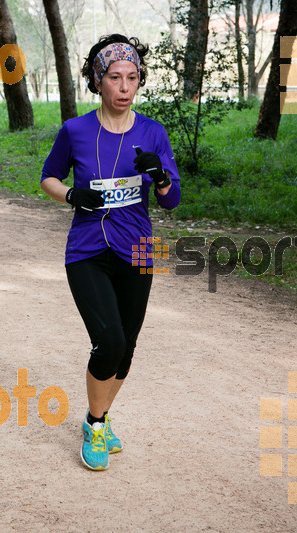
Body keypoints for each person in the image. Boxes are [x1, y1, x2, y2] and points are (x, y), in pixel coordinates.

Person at [41, 34, 180, 471]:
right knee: (111, 340)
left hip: (137, 248)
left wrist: (159, 178)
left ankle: (94, 419)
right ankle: (97, 424)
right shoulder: (75, 130)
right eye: (115, 78)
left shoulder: (152, 132)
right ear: (98, 82)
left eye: (132, 78)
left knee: (129, 345)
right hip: (85, 250)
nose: (124, 87)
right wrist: (71, 196)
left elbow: (171, 200)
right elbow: (48, 177)